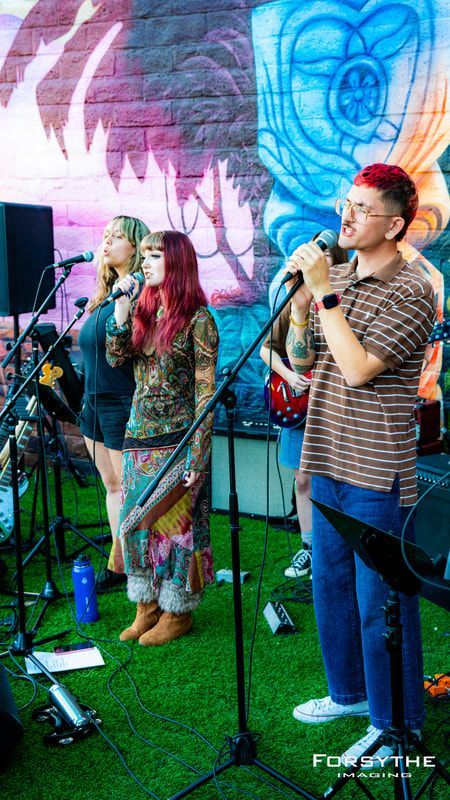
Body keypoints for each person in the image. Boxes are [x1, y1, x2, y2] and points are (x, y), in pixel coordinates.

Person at [283, 164, 435, 764]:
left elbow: (358, 368)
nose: (345, 216)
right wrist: (301, 306)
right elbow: (303, 358)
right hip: (327, 455)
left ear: (395, 224)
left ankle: (399, 727)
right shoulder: (338, 275)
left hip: (378, 470)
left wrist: (323, 296)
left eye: (362, 209)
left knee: (383, 603)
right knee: (332, 588)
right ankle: (350, 696)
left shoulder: (413, 291)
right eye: (346, 203)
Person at [105, 230, 219, 645]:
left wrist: (198, 455)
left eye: (155, 255)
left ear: (177, 263)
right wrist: (121, 307)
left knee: (176, 527)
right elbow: (116, 357)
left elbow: (206, 392)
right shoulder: (143, 310)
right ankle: (145, 607)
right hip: (138, 437)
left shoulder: (199, 320)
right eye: (146, 254)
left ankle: (177, 611)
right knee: (135, 523)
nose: (146, 262)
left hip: (179, 439)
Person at [260, 237, 347, 579]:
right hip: (298, 403)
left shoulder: (342, 298)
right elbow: (266, 348)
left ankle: (334, 548)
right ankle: (308, 547)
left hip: (333, 406)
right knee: (303, 480)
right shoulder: (293, 301)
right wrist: (289, 376)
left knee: (333, 482)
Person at [78, 215, 150, 590]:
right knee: (111, 486)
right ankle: (119, 565)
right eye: (104, 236)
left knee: (128, 488)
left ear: (136, 246)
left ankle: (139, 568)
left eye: (116, 236)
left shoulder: (140, 293)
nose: (106, 243)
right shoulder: (104, 296)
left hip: (120, 401)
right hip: (93, 401)